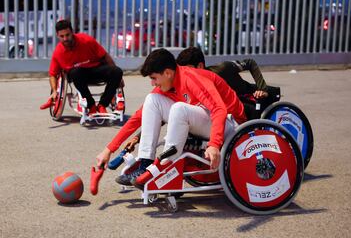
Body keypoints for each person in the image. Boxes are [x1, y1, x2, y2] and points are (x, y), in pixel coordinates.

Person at [96, 48, 247, 186]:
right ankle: (145, 164)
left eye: (154, 78)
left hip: (234, 126)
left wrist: (214, 144)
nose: (152, 83)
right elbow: (137, 119)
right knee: (151, 100)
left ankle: (166, 166)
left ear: (168, 73)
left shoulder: (191, 78)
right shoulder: (169, 82)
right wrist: (109, 150)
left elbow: (219, 109)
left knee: (179, 108)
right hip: (206, 121)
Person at [176, 47, 280, 119]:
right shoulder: (189, 83)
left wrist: (262, 89)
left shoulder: (222, 69)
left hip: (250, 98)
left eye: (187, 70)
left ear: (200, 66)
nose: (184, 74)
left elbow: (250, 63)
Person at [47, 20, 123, 114]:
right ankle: (91, 106)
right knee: (75, 72)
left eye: (67, 35)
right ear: (57, 35)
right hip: (78, 75)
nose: (65, 38)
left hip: (95, 69)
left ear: (72, 32)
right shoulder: (58, 52)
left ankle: (102, 104)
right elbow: (52, 74)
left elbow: (105, 56)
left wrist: (119, 79)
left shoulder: (86, 40)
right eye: (62, 36)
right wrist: (54, 91)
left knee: (117, 72)